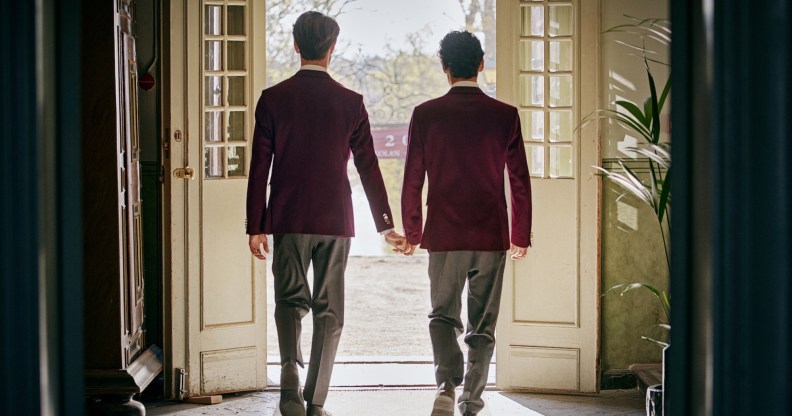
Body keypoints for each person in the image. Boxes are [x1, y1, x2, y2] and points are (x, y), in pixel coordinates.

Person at [246, 11, 405, 416]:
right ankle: (315, 400)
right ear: (332, 49)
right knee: (329, 309)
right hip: (336, 219)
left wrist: (256, 224)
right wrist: (385, 225)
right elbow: (369, 167)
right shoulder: (351, 103)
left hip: (286, 215)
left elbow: (259, 168)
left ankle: (288, 383)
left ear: (296, 46)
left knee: (289, 299)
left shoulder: (273, 99)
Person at [400, 30, 533, 416]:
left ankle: (446, 383)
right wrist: (520, 233)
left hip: (443, 234)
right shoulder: (505, 115)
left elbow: (412, 178)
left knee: (442, 315)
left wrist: (413, 231)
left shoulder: (425, 114)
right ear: (480, 64)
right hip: (491, 235)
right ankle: (471, 400)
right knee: (483, 323)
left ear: (444, 68)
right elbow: (519, 181)